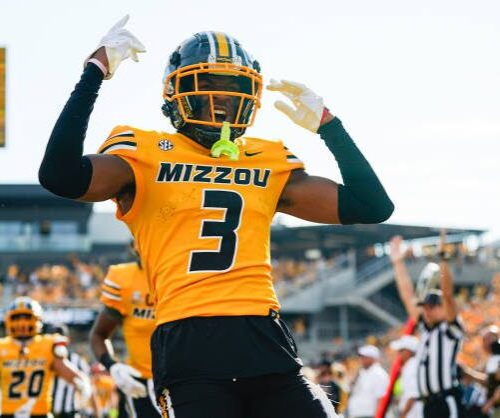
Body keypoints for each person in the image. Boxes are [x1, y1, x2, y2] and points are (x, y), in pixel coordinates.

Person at [40, 15, 394, 418]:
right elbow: (60, 176)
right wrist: (95, 72)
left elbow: (372, 206)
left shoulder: (268, 158)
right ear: (177, 91)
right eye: (209, 84)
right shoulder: (145, 150)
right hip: (190, 337)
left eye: (235, 86)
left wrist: (331, 127)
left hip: (262, 333)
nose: (223, 98)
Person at [0, 297, 92, 418]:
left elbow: (68, 371)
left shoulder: (48, 345)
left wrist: (81, 382)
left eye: (27, 317)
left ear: (37, 320)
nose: (22, 323)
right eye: (17, 318)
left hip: (39, 414)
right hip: (9, 414)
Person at [389, 232, 466, 418]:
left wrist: (443, 260)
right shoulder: (426, 327)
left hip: (445, 400)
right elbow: (407, 295)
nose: (428, 311)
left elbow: (447, 295)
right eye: (426, 307)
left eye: (432, 307)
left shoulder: (450, 329)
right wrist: (398, 263)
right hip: (428, 404)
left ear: (442, 309)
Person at [90, 244, 160, 418]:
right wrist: (112, 366)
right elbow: (99, 335)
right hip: (140, 383)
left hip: (189, 379)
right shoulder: (124, 278)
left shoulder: (184, 272)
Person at [49, 324, 94, 418]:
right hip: (46, 410)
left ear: (67, 340)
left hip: (69, 411)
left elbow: (89, 387)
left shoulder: (78, 361)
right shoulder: (43, 359)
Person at [347, 345, 389, 418]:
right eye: (360, 357)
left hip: (370, 414)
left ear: (372, 358)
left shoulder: (379, 374)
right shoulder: (361, 372)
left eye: (364, 357)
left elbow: (381, 398)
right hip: (357, 413)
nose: (361, 359)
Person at [390, 335, 422, 418]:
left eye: (401, 350)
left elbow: (412, 396)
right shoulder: (412, 364)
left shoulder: (411, 366)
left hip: (413, 413)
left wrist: (403, 415)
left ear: (409, 351)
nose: (398, 353)